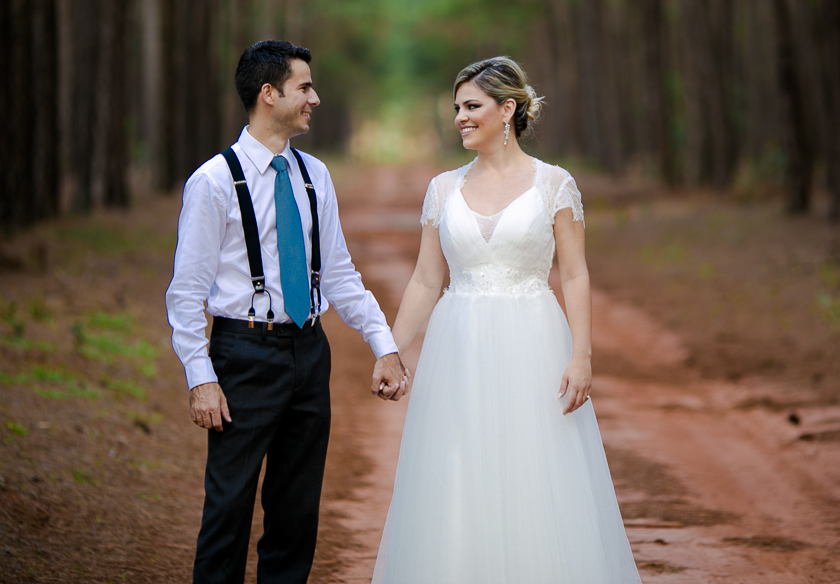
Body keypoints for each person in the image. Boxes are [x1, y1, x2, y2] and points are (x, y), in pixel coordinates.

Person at [371, 57, 642, 584]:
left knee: (535, 469)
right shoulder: (442, 189)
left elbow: (575, 274)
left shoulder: (554, 184)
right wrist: (391, 349)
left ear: (507, 109)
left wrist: (581, 355)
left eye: (472, 106)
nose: (460, 118)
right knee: (457, 470)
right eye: (457, 108)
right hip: (458, 347)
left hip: (533, 343)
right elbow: (426, 280)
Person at [166, 40, 409, 584]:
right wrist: (201, 378)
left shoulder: (314, 175)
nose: (315, 99)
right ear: (268, 94)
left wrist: (383, 344)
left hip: (309, 351)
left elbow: (339, 274)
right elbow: (185, 293)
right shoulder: (213, 181)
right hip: (242, 354)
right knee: (228, 509)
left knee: (296, 513)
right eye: (304, 88)